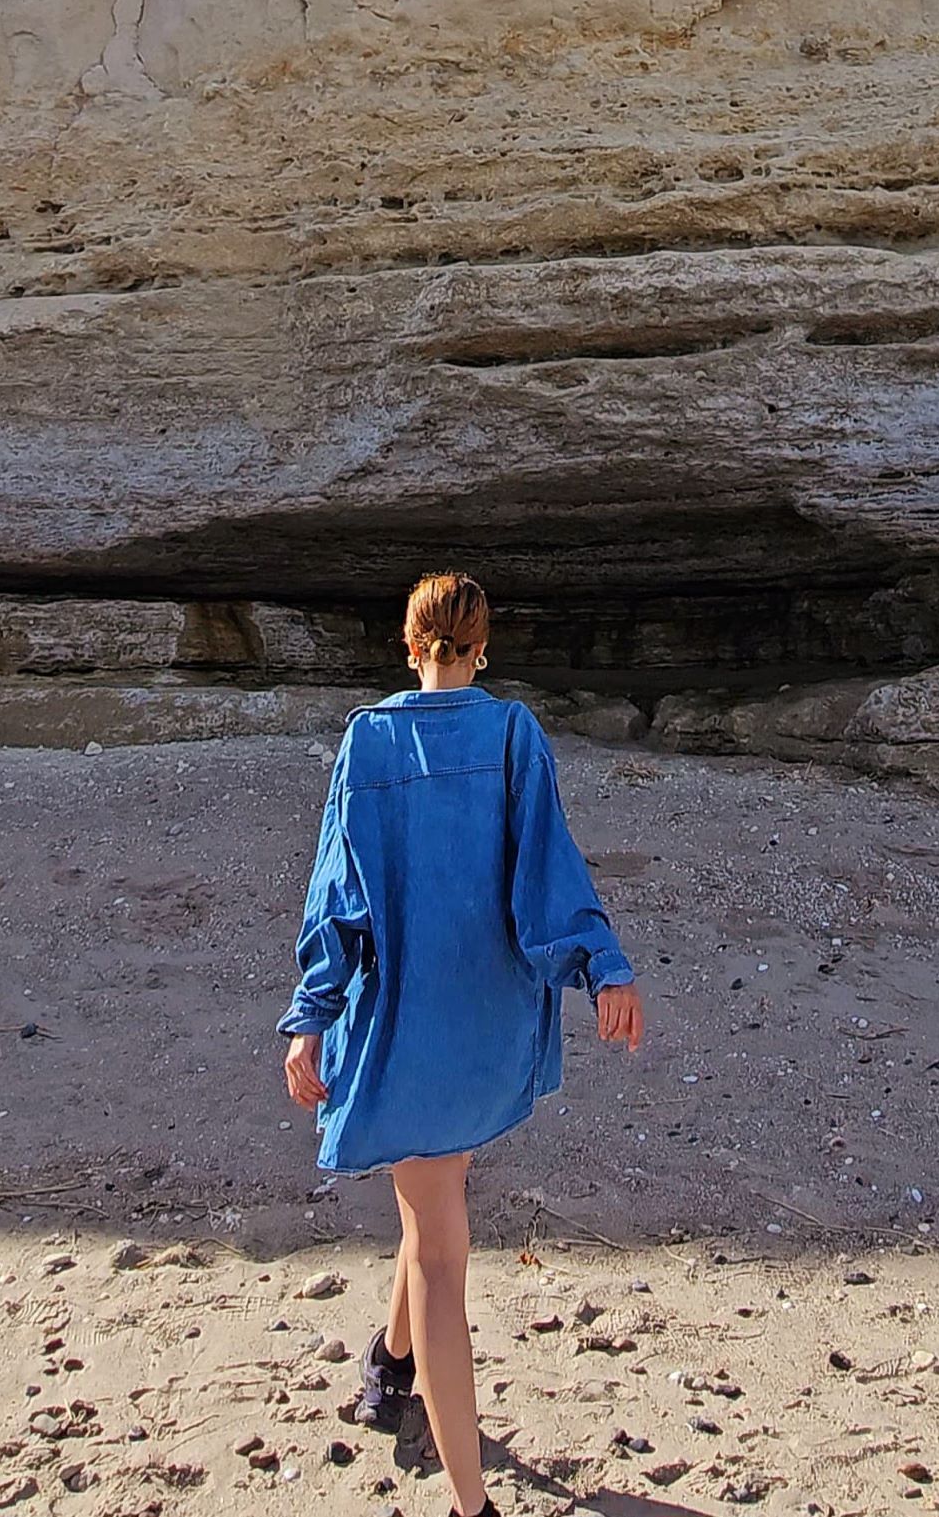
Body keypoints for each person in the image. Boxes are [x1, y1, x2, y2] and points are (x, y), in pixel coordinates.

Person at [278, 570, 644, 1517]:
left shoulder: (368, 740)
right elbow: (548, 870)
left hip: (404, 1025)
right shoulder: (513, 733)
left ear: (409, 645)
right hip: (482, 1025)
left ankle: (422, 1416)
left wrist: (311, 1015)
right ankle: (420, 1414)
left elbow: (339, 898)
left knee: (432, 1220)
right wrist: (603, 966)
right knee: (436, 1223)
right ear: (484, 648)